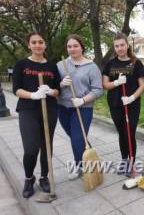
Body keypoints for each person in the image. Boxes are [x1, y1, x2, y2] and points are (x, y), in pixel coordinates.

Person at [12, 32, 61, 198]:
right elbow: (16, 90)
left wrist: (50, 91)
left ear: (45, 45)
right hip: (28, 110)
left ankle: (44, 178)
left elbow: (58, 91)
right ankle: (29, 178)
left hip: (50, 110)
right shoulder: (21, 64)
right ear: (29, 45)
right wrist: (33, 95)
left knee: (47, 146)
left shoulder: (52, 66)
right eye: (34, 42)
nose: (38, 45)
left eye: (41, 42)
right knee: (31, 148)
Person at [57, 34, 103, 180]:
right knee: (76, 138)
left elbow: (98, 90)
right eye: (69, 46)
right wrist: (60, 83)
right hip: (63, 107)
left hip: (83, 108)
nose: (72, 49)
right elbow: (52, 86)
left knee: (77, 138)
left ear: (82, 47)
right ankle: (89, 162)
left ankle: (83, 167)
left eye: (75, 46)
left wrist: (83, 100)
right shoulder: (60, 65)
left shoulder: (92, 67)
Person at [102, 32, 144, 177]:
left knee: (130, 133)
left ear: (127, 45)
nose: (120, 48)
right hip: (115, 103)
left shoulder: (136, 63)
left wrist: (132, 98)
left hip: (131, 104)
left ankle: (132, 163)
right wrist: (116, 82)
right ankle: (124, 160)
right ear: (114, 47)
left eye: (122, 45)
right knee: (122, 133)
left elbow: (142, 85)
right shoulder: (110, 63)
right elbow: (105, 84)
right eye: (117, 46)